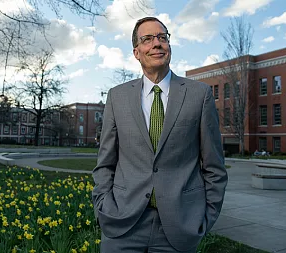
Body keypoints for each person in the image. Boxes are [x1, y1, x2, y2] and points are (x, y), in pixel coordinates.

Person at [92, 17, 228, 253]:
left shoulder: (200, 95)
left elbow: (214, 167)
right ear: (136, 52)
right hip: (122, 225)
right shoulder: (117, 97)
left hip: (179, 227)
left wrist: (205, 218)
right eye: (147, 39)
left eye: (162, 37)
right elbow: (105, 164)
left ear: (169, 46)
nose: (157, 43)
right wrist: (103, 207)